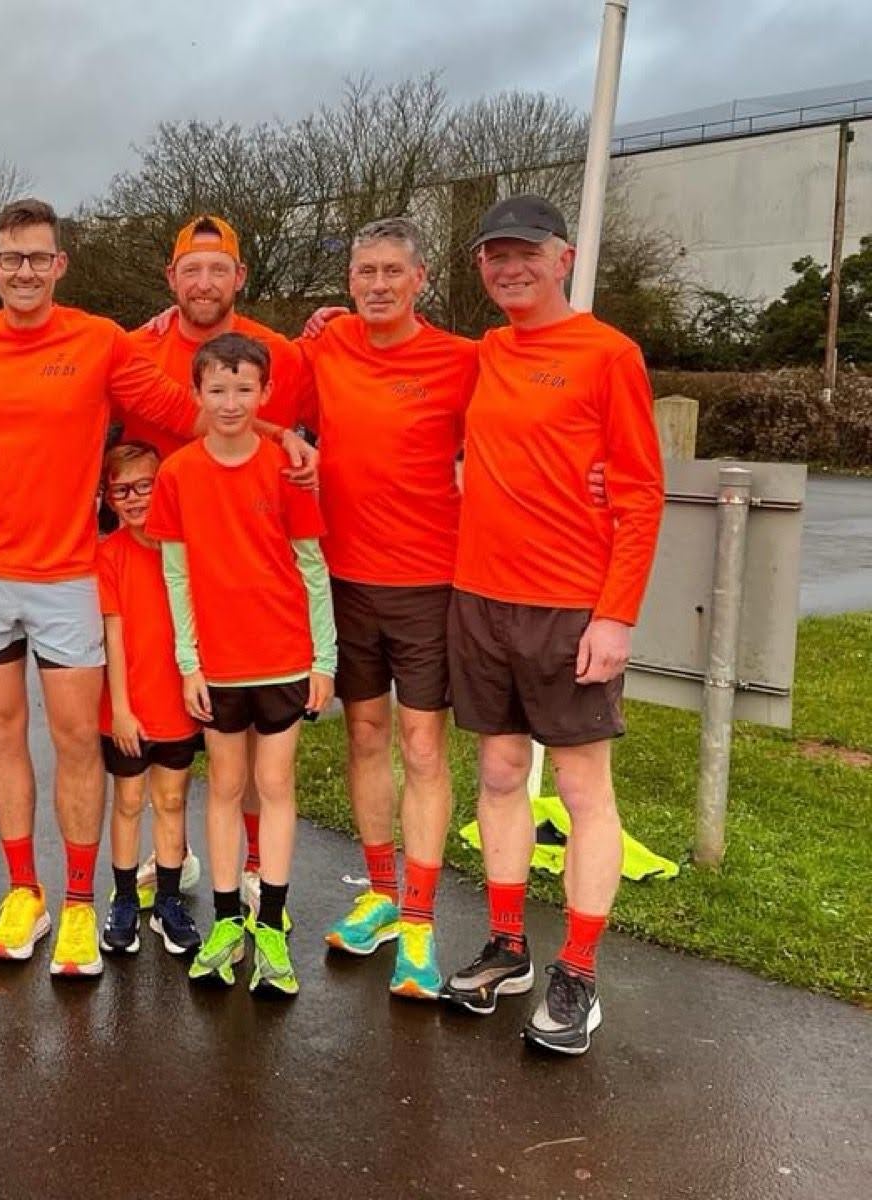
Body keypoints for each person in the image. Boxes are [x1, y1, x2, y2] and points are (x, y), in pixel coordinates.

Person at [0, 197, 315, 978]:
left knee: (78, 742)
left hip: (68, 571)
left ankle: (78, 901)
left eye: (39, 257)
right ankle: (22, 892)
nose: (25, 271)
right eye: (11, 258)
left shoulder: (99, 342)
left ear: (60, 265)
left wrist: (282, 438)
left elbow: (187, 410)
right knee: (0, 735)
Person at [438, 196, 664, 1055]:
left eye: (525, 252)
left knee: (578, 791)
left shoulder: (609, 354)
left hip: (573, 607)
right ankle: (508, 948)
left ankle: (578, 972)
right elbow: (393, 357)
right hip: (481, 599)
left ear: (562, 257)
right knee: (500, 774)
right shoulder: (487, 353)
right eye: (494, 256)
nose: (509, 267)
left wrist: (616, 616)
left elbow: (640, 493)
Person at [285, 218, 480, 999]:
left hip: (430, 582)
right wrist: (295, 447)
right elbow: (243, 387)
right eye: (364, 271)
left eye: (391, 271)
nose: (376, 284)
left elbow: (526, 433)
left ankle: (423, 921)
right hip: (345, 579)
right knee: (364, 735)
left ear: (420, 279)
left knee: (423, 745)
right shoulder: (326, 347)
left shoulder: (462, 360)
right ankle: (379, 893)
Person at [123, 215, 311, 914]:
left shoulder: (280, 353)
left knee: (255, 743)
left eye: (218, 268)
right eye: (191, 270)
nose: (205, 283)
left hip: (252, 564)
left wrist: (290, 436)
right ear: (171, 279)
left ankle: (260, 867)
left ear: (240, 276)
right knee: (163, 715)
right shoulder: (136, 347)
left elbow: (298, 430)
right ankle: (169, 852)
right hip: (162, 552)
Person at [148, 332, 335, 996]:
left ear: (266, 394)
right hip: (219, 668)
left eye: (244, 390)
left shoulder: (285, 468)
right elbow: (176, 576)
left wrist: (325, 659)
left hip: (283, 658)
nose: (230, 403)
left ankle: (273, 924)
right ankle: (228, 918)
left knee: (276, 787)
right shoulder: (178, 474)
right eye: (217, 390)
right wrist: (188, 663)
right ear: (197, 394)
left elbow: (313, 568)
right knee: (225, 788)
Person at [96, 441, 203, 958]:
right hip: (128, 708)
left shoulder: (186, 549)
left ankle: (166, 900)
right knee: (130, 802)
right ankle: (121, 899)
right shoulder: (109, 554)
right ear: (109, 497)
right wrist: (119, 708)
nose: (137, 498)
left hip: (177, 705)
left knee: (172, 801)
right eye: (123, 489)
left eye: (147, 485)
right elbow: (113, 635)